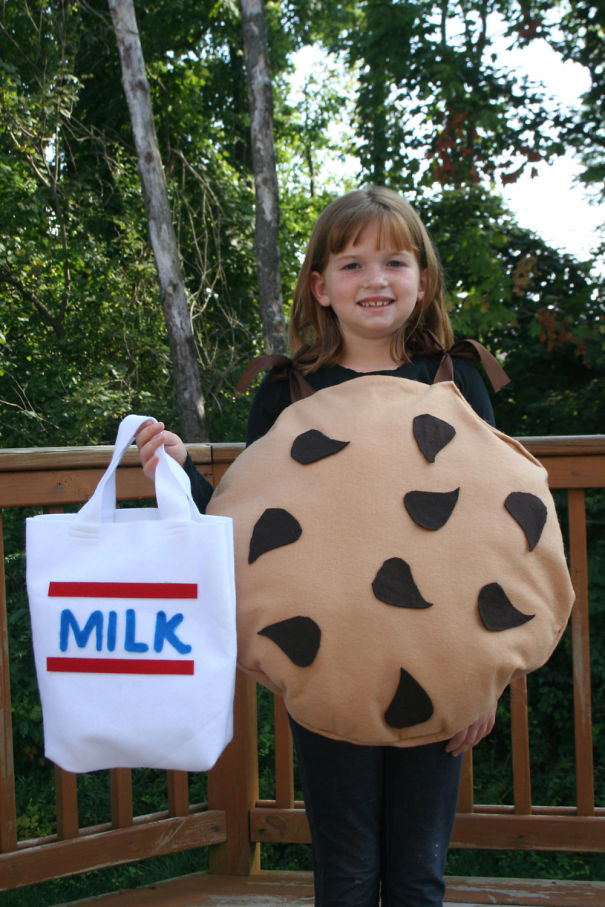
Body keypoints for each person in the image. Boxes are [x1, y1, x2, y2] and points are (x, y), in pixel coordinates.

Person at [136, 186, 497, 906]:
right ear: (319, 286)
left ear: (421, 280)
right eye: (352, 263)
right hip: (329, 666)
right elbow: (249, 531)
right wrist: (179, 473)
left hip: (437, 665)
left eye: (394, 261)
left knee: (419, 877)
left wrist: (483, 674)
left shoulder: (457, 379)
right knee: (346, 871)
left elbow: (489, 541)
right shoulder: (288, 390)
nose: (374, 280)